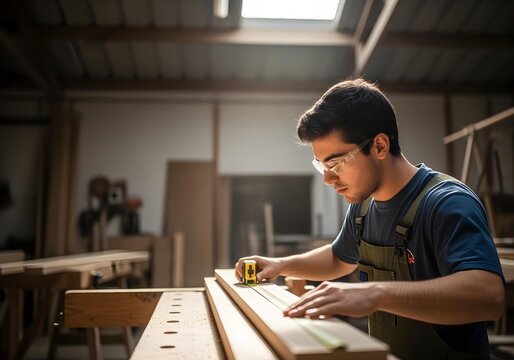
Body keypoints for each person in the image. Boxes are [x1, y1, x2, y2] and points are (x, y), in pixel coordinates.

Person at [234, 78, 505, 359]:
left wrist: (375, 294)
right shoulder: (363, 208)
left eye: (335, 163)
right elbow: (339, 258)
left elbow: (488, 297)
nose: (328, 178)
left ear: (379, 146)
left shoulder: (446, 203)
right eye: (321, 165)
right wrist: (281, 265)